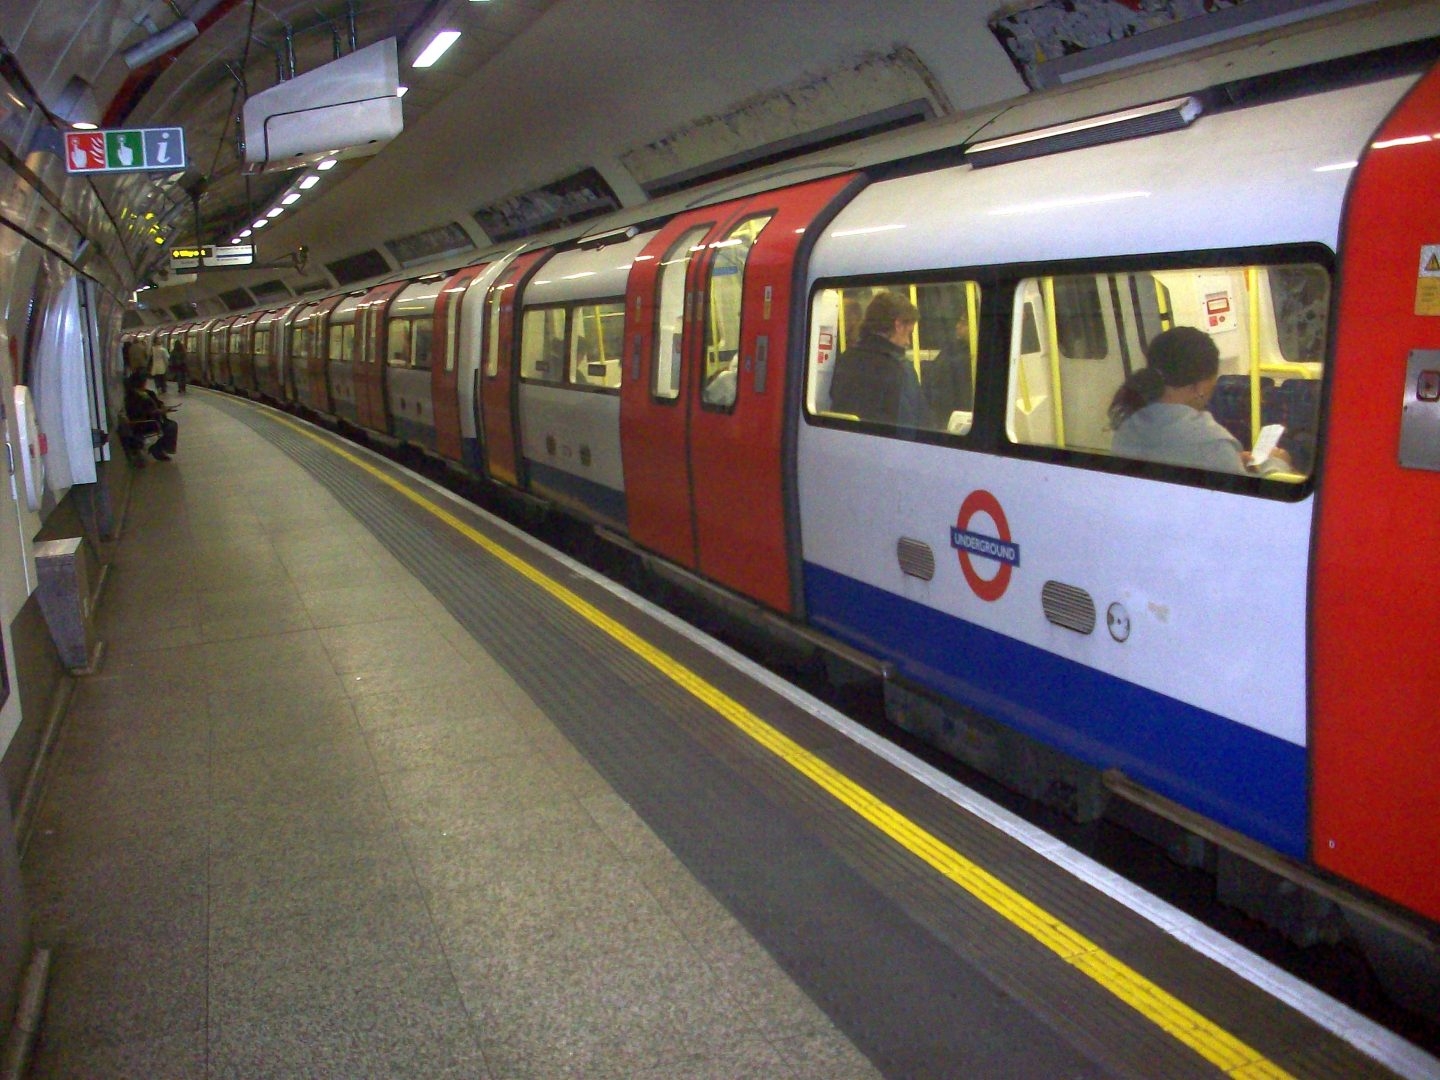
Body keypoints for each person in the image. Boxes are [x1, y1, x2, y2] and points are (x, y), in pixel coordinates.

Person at [1108, 326, 1289, 475]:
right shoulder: (1210, 442)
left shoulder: (1127, 427)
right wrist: (1275, 465)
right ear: (1201, 386)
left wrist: (1229, 459)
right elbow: (1245, 507)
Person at [827, 291, 922, 427]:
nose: (908, 342)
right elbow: (914, 423)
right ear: (898, 325)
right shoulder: (900, 369)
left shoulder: (846, 359)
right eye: (909, 333)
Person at [922, 313, 974, 431]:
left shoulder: (968, 357)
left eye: (964, 323)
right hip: (939, 411)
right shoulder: (955, 348)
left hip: (952, 416)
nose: (957, 326)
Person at [124, 369, 179, 462]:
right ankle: (158, 449)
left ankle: (159, 449)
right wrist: (156, 411)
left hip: (154, 419)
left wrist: (163, 407)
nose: (145, 383)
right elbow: (136, 412)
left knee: (170, 425)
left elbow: (158, 403)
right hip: (144, 422)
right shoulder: (132, 396)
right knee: (171, 426)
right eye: (144, 381)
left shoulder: (148, 393)